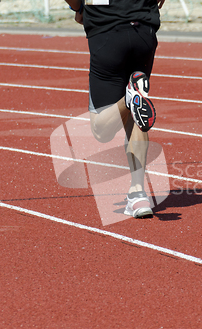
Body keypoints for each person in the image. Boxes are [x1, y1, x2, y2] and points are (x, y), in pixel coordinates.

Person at [64, 0, 165, 218]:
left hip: (107, 33)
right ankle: (138, 194)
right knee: (136, 115)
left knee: (102, 130)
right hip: (144, 34)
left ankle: (128, 98)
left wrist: (79, 8)